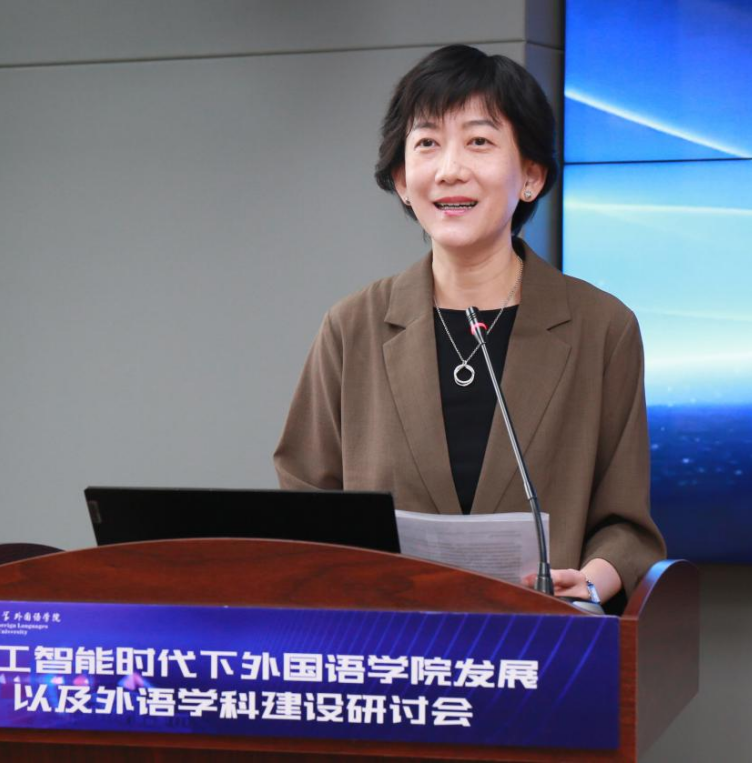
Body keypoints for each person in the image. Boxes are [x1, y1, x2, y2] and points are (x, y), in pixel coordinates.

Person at [273, 45, 665, 605]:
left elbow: (626, 525)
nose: (450, 169)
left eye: (479, 142)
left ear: (531, 176)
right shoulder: (352, 326)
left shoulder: (601, 328)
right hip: (386, 636)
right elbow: (305, 498)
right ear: (402, 179)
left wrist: (591, 581)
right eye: (427, 144)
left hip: (541, 636)